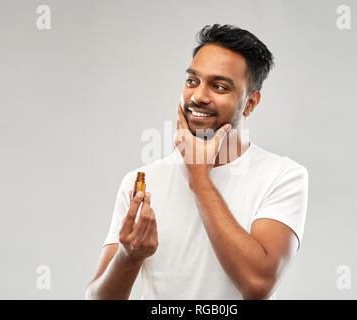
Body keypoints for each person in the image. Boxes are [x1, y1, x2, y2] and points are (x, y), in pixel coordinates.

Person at [84, 24, 309, 300]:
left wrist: (199, 178)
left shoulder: (282, 175)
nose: (198, 96)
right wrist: (129, 257)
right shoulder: (140, 181)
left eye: (218, 86)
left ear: (250, 103)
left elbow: (258, 284)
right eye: (192, 81)